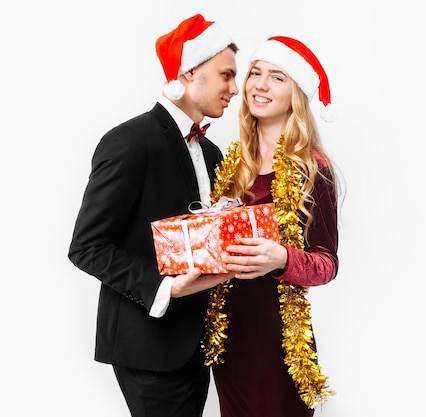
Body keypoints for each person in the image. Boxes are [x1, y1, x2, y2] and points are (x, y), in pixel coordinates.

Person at [68, 14, 239, 417]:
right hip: (148, 342)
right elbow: (86, 247)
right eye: (226, 76)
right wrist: (167, 288)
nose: (235, 89)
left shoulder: (211, 153)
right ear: (191, 71)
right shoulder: (129, 141)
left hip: (196, 342)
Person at [203, 35, 341, 417]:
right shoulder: (231, 167)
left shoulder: (312, 169)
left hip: (279, 341)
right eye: (256, 73)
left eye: (277, 77)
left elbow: (327, 263)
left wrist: (282, 258)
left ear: (296, 93)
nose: (260, 85)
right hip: (228, 339)